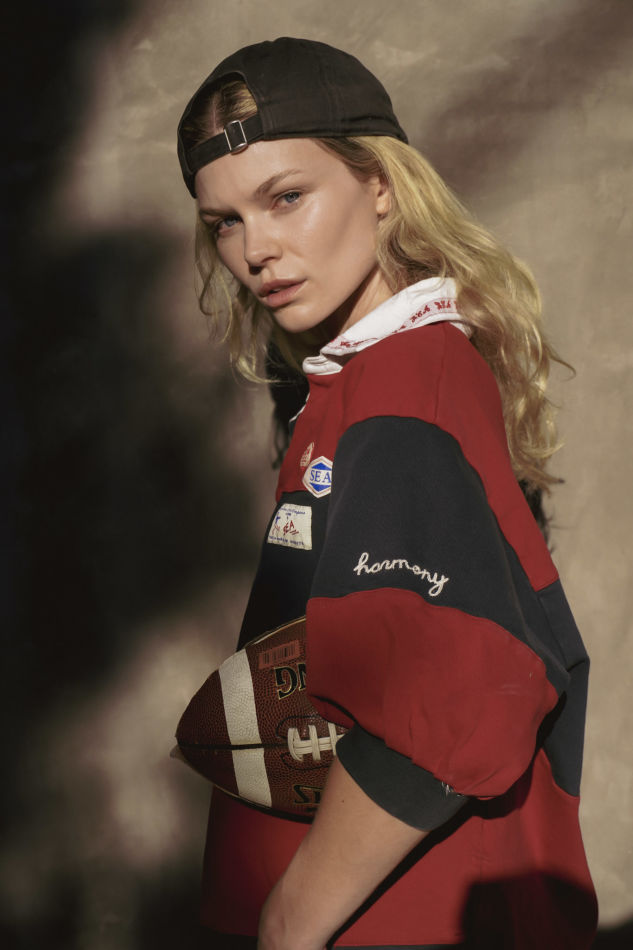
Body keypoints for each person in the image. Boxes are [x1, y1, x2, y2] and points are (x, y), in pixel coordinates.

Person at [176, 37, 597, 949]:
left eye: (285, 197)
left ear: (380, 184)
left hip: (407, 916)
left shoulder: (407, 384)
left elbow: (461, 687)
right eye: (224, 222)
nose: (256, 249)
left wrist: (292, 917)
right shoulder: (364, 379)